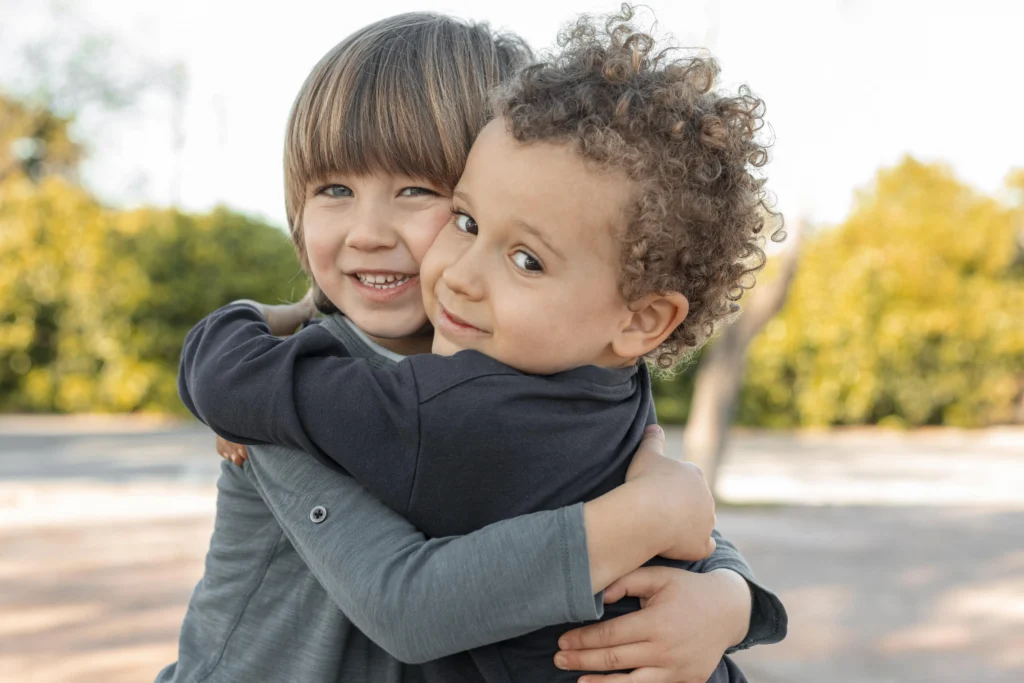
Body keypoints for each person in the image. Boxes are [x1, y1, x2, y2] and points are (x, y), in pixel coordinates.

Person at [178, 8, 785, 683]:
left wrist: (726, 601)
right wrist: (267, 321)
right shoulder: (302, 386)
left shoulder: (537, 364)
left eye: (415, 190)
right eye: (333, 189)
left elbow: (671, 519)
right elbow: (409, 601)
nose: (368, 231)